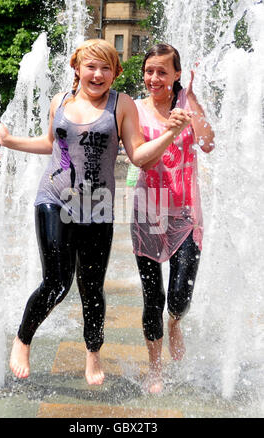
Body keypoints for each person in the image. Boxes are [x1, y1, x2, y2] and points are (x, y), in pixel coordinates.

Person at [0, 39, 192, 385]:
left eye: (106, 68)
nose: (97, 74)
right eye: (90, 67)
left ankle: (93, 353)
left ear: (115, 72)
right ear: (77, 69)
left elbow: (141, 156)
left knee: (92, 288)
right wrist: (9, 141)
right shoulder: (61, 101)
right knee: (56, 281)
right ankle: (23, 340)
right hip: (54, 197)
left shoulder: (121, 105)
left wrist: (172, 132)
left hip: (97, 207)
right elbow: (50, 144)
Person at [130, 43, 215, 393]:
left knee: (178, 297)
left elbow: (208, 143)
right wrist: (169, 132)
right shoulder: (134, 110)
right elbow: (140, 160)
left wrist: (192, 101)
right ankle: (155, 370)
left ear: (176, 74)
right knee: (153, 297)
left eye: (162, 72)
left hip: (185, 215)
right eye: (149, 71)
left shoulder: (187, 107)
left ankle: (176, 322)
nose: (154, 78)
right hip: (147, 212)